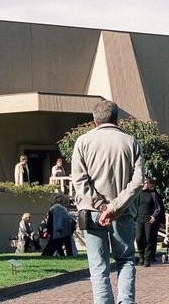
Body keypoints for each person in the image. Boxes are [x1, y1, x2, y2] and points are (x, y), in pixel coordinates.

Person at [71, 100, 143, 304]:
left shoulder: (83, 142)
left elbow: (79, 180)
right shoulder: (131, 142)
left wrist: (102, 207)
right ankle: (126, 301)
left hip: (92, 212)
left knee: (98, 266)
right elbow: (138, 182)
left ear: (94, 121)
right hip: (123, 211)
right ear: (116, 119)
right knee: (126, 260)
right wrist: (114, 207)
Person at [135, 177, 161, 267]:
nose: (146, 184)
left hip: (148, 218)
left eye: (147, 182)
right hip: (138, 218)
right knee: (138, 238)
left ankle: (147, 259)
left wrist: (154, 216)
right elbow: (134, 206)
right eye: (144, 182)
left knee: (148, 238)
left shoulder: (153, 194)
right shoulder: (138, 194)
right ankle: (141, 256)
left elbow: (157, 207)